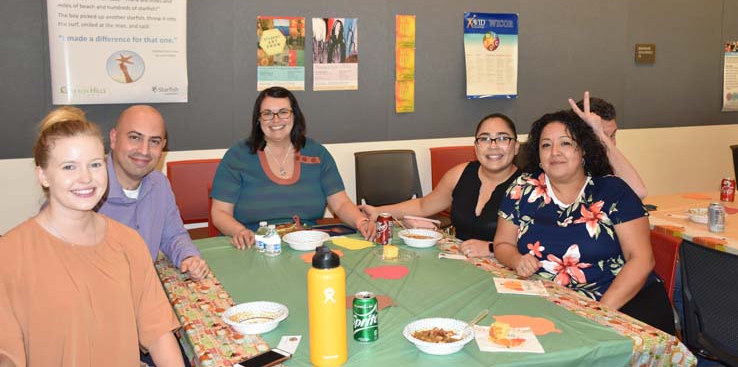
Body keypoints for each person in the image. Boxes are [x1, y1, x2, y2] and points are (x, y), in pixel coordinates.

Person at [0, 107, 182, 366]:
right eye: (69, 167)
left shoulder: (129, 243)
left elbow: (159, 334)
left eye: (95, 164)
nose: (86, 178)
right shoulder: (10, 255)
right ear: (43, 175)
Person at [493, 110, 674, 334]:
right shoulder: (522, 188)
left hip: (622, 302)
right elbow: (502, 244)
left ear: (583, 150)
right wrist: (516, 259)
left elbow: (642, 260)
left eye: (566, 143)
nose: (555, 152)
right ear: (538, 155)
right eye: (546, 145)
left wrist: (598, 312)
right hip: (554, 302)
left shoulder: (613, 190)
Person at [210, 86, 376, 249]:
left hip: (307, 243)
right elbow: (219, 212)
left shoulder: (317, 153)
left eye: (283, 112)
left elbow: (340, 204)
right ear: (258, 119)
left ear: (294, 116)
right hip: (254, 244)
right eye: (267, 114)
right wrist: (240, 232)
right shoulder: (237, 156)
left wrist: (361, 222)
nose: (276, 120)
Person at [362, 114, 521, 258]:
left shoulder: (530, 187)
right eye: (484, 139)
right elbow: (423, 206)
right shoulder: (460, 174)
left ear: (516, 147)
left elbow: (541, 244)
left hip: (507, 271)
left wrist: (492, 248)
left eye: (502, 138)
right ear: (476, 146)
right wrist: (379, 211)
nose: (493, 146)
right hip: (461, 263)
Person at [98, 105, 210, 281]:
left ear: (163, 147)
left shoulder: (159, 184)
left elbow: (173, 235)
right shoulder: (85, 189)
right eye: (135, 137)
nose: (144, 150)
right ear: (114, 138)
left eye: (154, 141)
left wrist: (189, 257)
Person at [569, 91, 647, 198]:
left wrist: (600, 134)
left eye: (613, 135)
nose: (611, 143)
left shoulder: (607, 162)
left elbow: (639, 192)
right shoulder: (565, 165)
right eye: (602, 136)